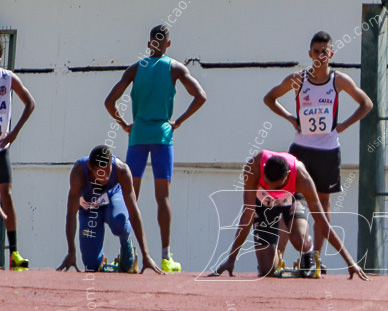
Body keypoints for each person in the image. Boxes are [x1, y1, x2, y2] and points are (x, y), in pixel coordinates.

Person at [263, 31, 373, 271]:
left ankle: (316, 258)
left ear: (331, 53)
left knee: (322, 205)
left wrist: (343, 125)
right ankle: (278, 257)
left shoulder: (338, 80)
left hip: (328, 151)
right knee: (288, 202)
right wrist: (291, 118)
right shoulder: (298, 79)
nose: (320, 56)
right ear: (309, 54)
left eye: (325, 52)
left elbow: (366, 103)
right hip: (301, 149)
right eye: (316, 52)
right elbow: (269, 98)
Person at [104, 24, 207, 272]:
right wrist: (178, 122)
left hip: (138, 134)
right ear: (168, 44)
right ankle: (165, 256)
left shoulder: (135, 69)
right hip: (162, 135)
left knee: (131, 196)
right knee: (162, 197)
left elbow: (109, 102)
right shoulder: (175, 67)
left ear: (150, 43)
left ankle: (127, 252)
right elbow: (201, 96)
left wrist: (125, 125)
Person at [211, 149, 367, 280]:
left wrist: (350, 261)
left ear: (287, 175)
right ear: (263, 169)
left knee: (299, 239)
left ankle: (308, 253)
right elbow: (247, 216)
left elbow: (322, 222)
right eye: (268, 184)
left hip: (291, 200)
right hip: (264, 205)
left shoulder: (302, 178)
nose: (272, 190)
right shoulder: (253, 168)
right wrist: (231, 259)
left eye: (277, 186)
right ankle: (276, 257)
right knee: (267, 271)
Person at [56, 145, 163, 274]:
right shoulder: (78, 173)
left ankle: (126, 243)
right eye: (101, 173)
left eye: (108, 171)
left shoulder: (121, 170)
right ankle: (98, 260)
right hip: (90, 209)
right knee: (91, 266)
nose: (106, 178)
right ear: (90, 167)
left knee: (119, 223)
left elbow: (134, 212)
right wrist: (71, 252)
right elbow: (71, 214)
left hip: (112, 200)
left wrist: (146, 255)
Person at [0, 40, 37, 270]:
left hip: (1, 146)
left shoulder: (8, 78)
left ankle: (14, 253)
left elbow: (30, 103)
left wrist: (15, 132)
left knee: (7, 195)